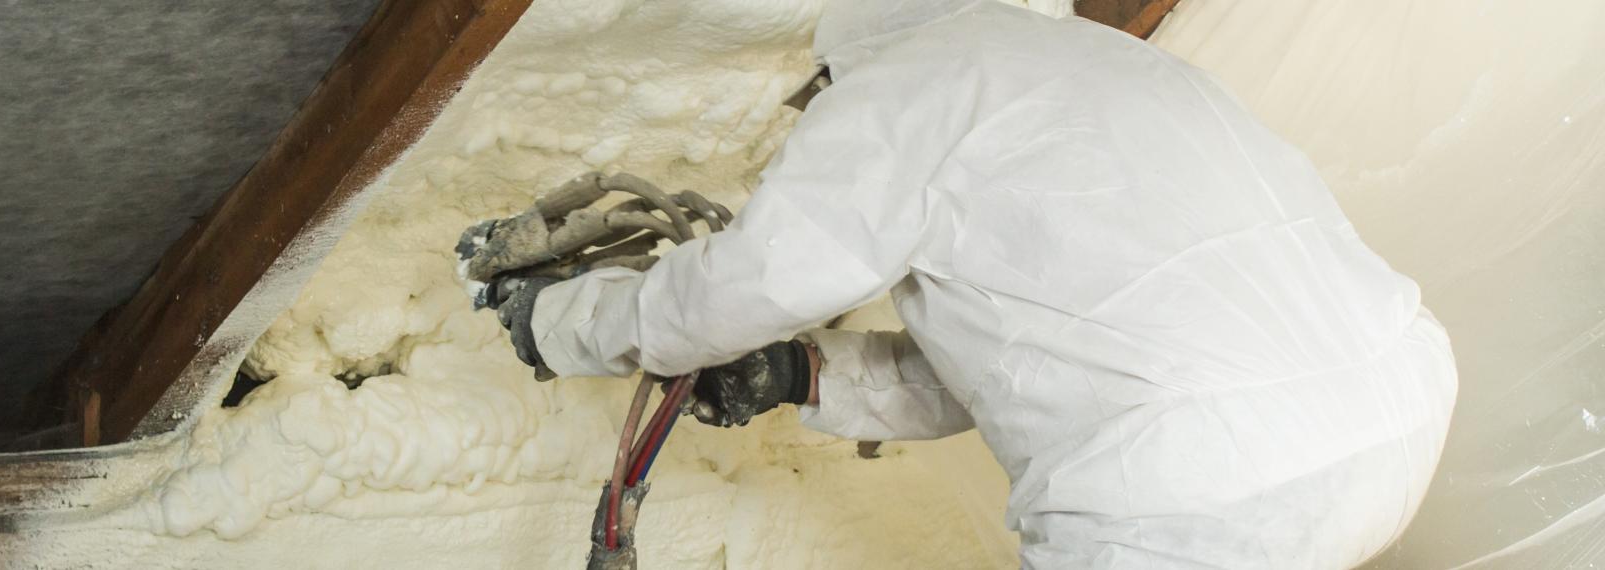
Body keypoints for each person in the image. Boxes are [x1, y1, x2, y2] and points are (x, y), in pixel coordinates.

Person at [488, 1, 1459, 567]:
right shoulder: (1115, 66)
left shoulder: (919, 82)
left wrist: (560, 324)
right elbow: (1029, 356)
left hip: (1194, 497)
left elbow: (739, 286)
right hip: (1395, 426)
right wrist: (802, 376)